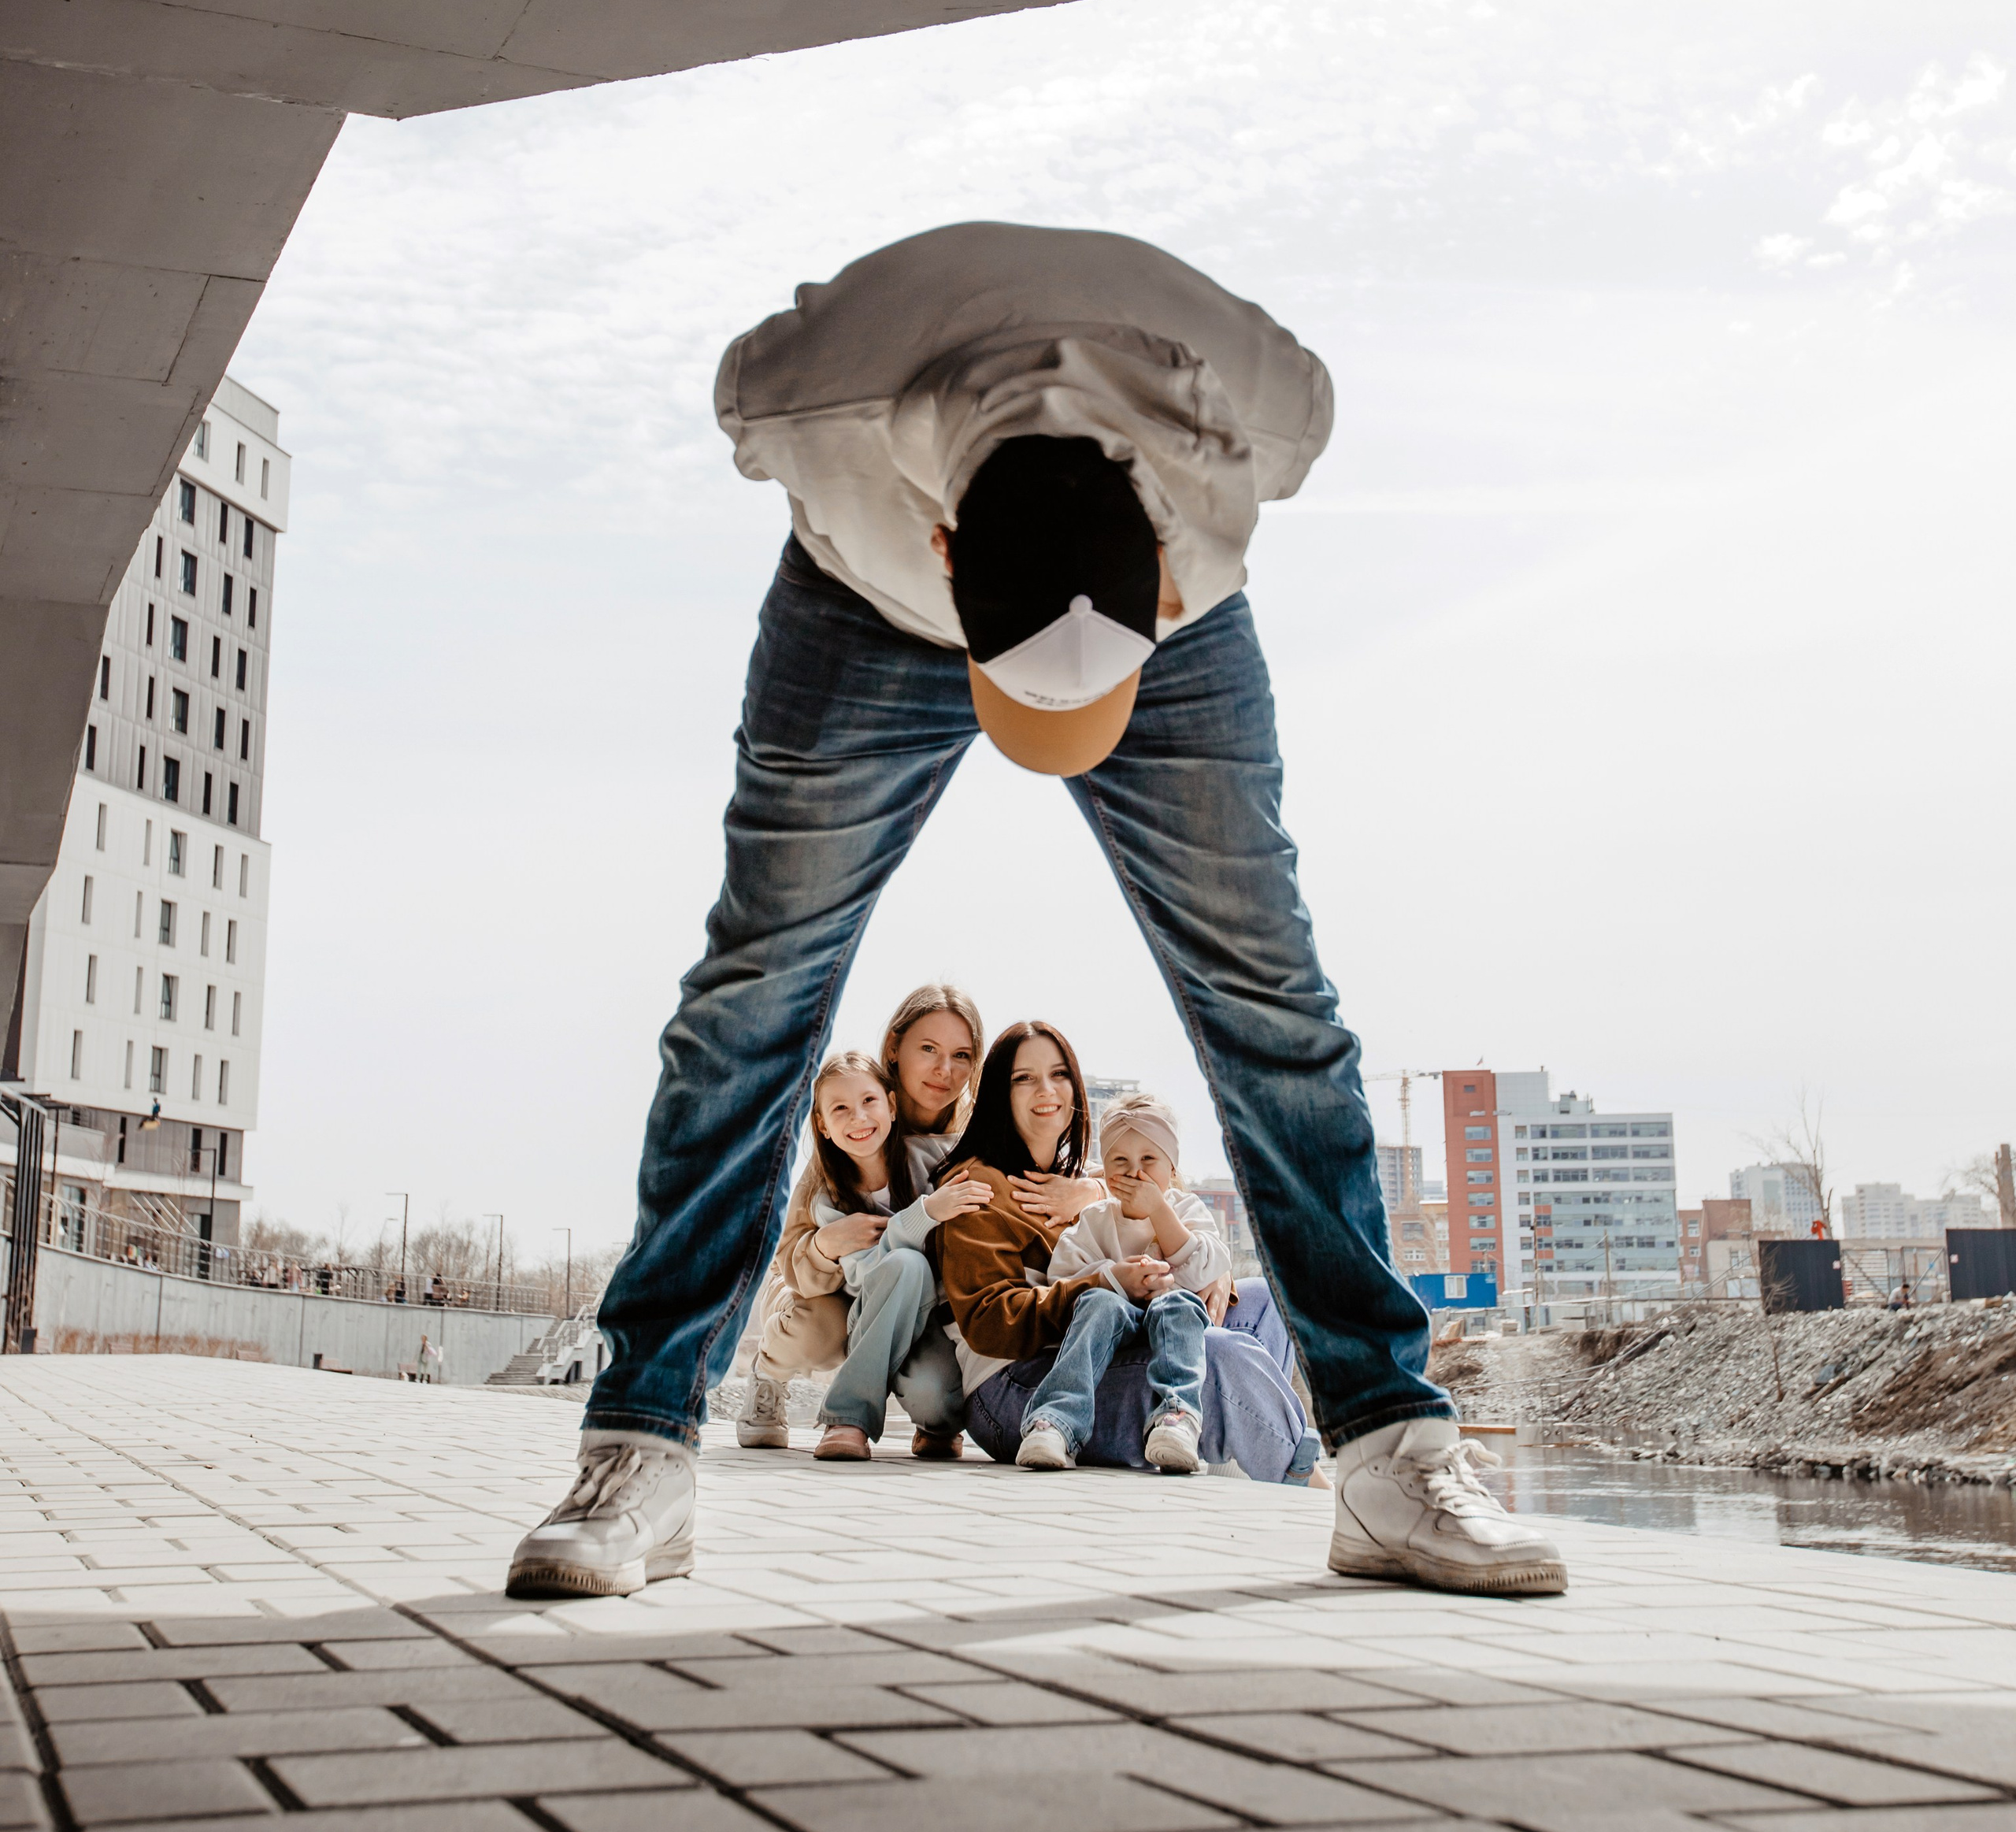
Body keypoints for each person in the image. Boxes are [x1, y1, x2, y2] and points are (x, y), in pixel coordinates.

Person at [510, 222, 1564, 1601]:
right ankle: (639, 1444)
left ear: (1174, 537)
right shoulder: (808, 394)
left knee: (1272, 1001)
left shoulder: (1262, 403)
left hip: (1171, 647)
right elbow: (737, 391)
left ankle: (1391, 1449)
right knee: (752, 996)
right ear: (948, 543)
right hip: (862, 606)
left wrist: (1166, 614)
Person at [942, 1030, 1319, 1485]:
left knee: (1272, 1303)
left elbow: (1166, 1202)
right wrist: (1108, 1282)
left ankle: (1229, 1449)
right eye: (1025, 1078)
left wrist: (1218, 1278)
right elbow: (987, 1324)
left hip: (1118, 1344)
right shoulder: (977, 1188)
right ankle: (1304, 1481)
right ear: (999, 1093)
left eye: (1059, 1074)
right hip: (1017, 1389)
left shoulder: (1091, 1178)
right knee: (1219, 1357)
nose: (1046, 1090)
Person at [735, 983, 985, 1450]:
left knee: (939, 1403)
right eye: (927, 1049)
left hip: (922, 1306)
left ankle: (926, 1416)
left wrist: (1088, 1187)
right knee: (818, 1327)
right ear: (895, 1048)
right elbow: (793, 1262)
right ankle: (793, 1386)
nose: (943, 1070)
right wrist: (827, 1245)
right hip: (833, 1294)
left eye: (962, 1055)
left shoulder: (972, 1135)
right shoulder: (851, 1133)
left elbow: (1061, 1162)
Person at [797, 1051, 994, 1459]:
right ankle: (847, 1417)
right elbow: (863, 1276)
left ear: (891, 1104)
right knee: (905, 1265)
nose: (858, 1118)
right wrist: (924, 1215)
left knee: (938, 1404)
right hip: (875, 1317)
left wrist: (1094, 1186)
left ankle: (933, 1427)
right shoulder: (829, 1200)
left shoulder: (934, 1158)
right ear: (823, 1125)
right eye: (840, 1109)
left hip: (939, 1324)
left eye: (869, 1102)